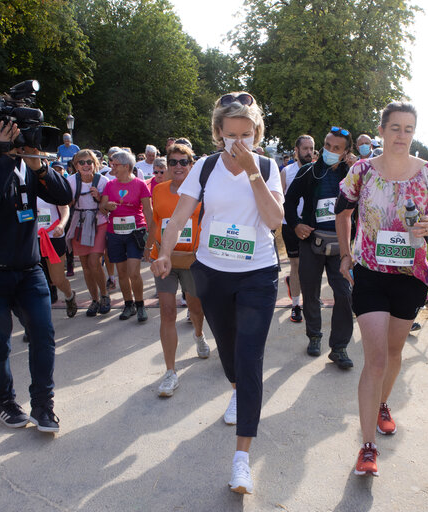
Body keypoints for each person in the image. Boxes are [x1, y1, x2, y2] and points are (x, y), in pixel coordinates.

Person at [151, 91, 284, 495]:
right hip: (212, 273)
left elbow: (275, 220)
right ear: (217, 133)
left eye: (247, 134)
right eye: (231, 135)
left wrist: (253, 174)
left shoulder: (266, 165)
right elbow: (177, 216)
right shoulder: (205, 168)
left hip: (257, 274)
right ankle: (237, 389)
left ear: (257, 131)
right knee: (228, 354)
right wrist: (165, 252)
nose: (239, 142)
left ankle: (242, 458)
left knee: (249, 357)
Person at [336, 101, 428, 477]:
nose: (401, 135)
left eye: (408, 129)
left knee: (393, 351)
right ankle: (367, 445)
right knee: (374, 359)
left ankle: (384, 404)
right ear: (383, 130)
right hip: (370, 273)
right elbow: (342, 212)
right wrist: (344, 254)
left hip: (410, 276)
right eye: (395, 128)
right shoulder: (362, 171)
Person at [0, 120, 73, 433]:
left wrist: (39, 167)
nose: (18, 138)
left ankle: (43, 405)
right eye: (9, 132)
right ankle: (5, 402)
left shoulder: (29, 165)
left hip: (27, 267)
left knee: (43, 332)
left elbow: (63, 196)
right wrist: (5, 156)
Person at [285, 127, 355, 369]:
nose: (330, 151)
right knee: (311, 291)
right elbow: (290, 201)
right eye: (327, 145)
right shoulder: (308, 172)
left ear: (346, 152)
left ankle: (339, 347)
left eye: (337, 148)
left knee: (344, 294)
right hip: (311, 242)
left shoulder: (352, 175)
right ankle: (314, 336)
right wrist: (296, 225)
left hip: (341, 245)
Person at [148, 143, 209, 397]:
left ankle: (198, 334)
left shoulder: (201, 192)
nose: (178, 167)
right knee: (167, 311)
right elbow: (156, 221)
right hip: (165, 258)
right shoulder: (159, 190)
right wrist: (149, 247)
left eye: (183, 162)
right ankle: (170, 372)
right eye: (172, 162)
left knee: (196, 308)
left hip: (192, 260)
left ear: (191, 164)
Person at [100, 150, 153, 322]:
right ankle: (128, 304)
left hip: (135, 232)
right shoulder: (110, 184)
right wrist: (107, 206)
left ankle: (140, 305)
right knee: (121, 273)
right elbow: (102, 208)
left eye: (114, 164)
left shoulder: (140, 184)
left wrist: (151, 236)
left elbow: (148, 210)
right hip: (115, 233)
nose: (111, 167)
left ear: (126, 166)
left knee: (134, 272)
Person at [67, 150, 112, 316]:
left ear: (95, 164)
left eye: (89, 162)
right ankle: (94, 300)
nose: (85, 165)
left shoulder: (103, 181)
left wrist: (100, 198)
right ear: (76, 165)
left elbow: (107, 206)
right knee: (85, 265)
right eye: (81, 162)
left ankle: (104, 295)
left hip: (99, 221)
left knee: (94, 261)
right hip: (79, 223)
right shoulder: (71, 181)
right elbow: (67, 204)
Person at [279, 135, 315, 323]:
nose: (309, 153)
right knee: (296, 265)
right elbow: (281, 199)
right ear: (297, 150)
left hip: (312, 225)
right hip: (290, 225)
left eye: (312, 149)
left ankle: (307, 300)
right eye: (305, 149)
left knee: (309, 267)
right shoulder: (287, 171)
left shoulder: (318, 171)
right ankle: (295, 305)